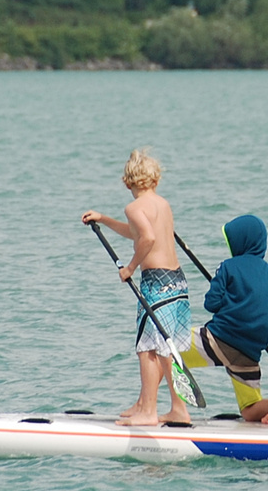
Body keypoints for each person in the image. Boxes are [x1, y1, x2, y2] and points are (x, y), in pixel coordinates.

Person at [81, 149, 192, 427]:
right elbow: (136, 232)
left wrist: (130, 267)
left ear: (127, 182)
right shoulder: (162, 204)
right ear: (155, 180)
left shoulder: (134, 207)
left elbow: (147, 238)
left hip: (156, 282)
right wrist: (103, 219)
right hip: (177, 281)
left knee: (148, 348)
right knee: (167, 347)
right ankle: (170, 407)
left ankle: (149, 412)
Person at [198, 214, 268, 424]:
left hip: (217, 340)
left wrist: (226, 296)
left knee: (166, 349)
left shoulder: (228, 266)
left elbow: (211, 304)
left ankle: (175, 409)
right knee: (249, 409)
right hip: (249, 354)